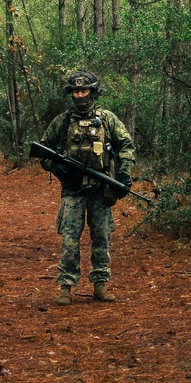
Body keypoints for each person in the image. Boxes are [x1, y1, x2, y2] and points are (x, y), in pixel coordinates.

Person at [38, 69, 135, 305]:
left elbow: (126, 146)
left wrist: (124, 174)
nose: (80, 95)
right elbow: (42, 150)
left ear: (93, 91)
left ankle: (100, 285)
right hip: (72, 190)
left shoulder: (107, 119)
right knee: (70, 239)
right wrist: (54, 166)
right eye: (76, 91)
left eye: (84, 90)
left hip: (101, 189)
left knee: (101, 237)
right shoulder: (62, 122)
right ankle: (65, 287)